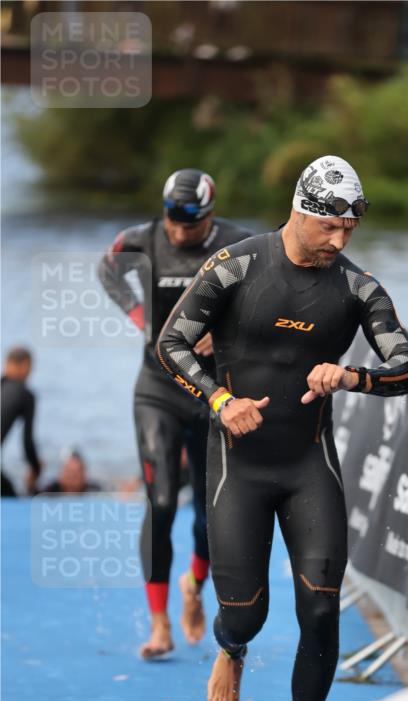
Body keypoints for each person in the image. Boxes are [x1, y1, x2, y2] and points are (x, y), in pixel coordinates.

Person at [157, 155, 408, 701]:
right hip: (239, 464)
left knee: (323, 609)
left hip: (309, 463)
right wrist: (220, 401)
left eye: (350, 231)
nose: (340, 241)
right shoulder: (235, 266)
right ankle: (231, 643)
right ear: (302, 210)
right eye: (330, 227)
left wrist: (352, 376)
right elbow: (169, 344)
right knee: (247, 612)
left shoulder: (358, 288)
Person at [98, 169, 252, 658]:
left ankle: (194, 590)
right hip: (158, 388)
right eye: (173, 222)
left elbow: (267, 297)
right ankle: (159, 623)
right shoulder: (142, 239)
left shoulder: (239, 243)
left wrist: (227, 326)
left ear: (209, 215)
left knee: (210, 514)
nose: (180, 232)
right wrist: (140, 316)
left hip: (211, 390)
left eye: (191, 225)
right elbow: (106, 269)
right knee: (161, 501)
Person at [1, 346, 41, 497]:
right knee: (12, 502)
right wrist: (36, 470)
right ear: (25, 366)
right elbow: (27, 443)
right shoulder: (25, 395)